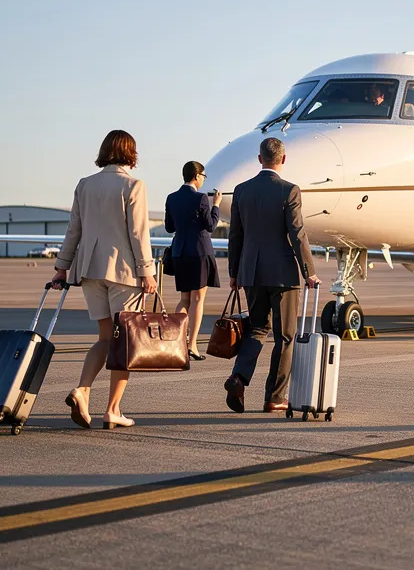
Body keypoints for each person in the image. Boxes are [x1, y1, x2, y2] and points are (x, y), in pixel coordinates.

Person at [53, 130, 158, 430]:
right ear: (131, 153)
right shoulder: (133, 185)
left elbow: (74, 229)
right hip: (124, 273)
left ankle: (82, 389)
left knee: (104, 338)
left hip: (89, 270)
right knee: (125, 343)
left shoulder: (85, 185)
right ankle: (113, 409)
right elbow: (139, 233)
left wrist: (62, 267)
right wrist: (147, 271)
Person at [225, 137, 320, 413]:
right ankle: (274, 397)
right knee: (285, 336)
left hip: (251, 272)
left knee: (256, 329)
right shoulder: (289, 190)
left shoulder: (241, 190)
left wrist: (234, 272)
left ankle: (238, 378)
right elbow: (297, 233)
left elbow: (235, 236)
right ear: (284, 159)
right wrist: (309, 272)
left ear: (259, 159)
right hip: (282, 275)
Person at [164, 161, 223, 361]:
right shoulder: (201, 199)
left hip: (179, 252)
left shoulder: (171, 198)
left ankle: (177, 340)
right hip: (199, 252)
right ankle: (192, 345)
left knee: (184, 299)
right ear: (197, 176)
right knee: (198, 299)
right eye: (203, 176)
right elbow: (211, 225)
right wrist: (216, 206)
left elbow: (169, 228)